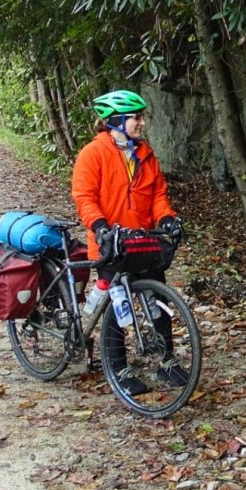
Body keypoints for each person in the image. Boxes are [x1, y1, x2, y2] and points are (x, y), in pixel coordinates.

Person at [71, 89, 187, 394]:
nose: (142, 122)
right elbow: (84, 197)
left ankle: (167, 362)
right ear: (116, 121)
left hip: (143, 241)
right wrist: (100, 226)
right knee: (116, 305)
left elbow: (158, 195)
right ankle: (119, 369)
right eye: (136, 117)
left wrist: (166, 218)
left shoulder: (145, 154)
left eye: (141, 116)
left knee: (158, 300)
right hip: (110, 243)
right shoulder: (93, 154)